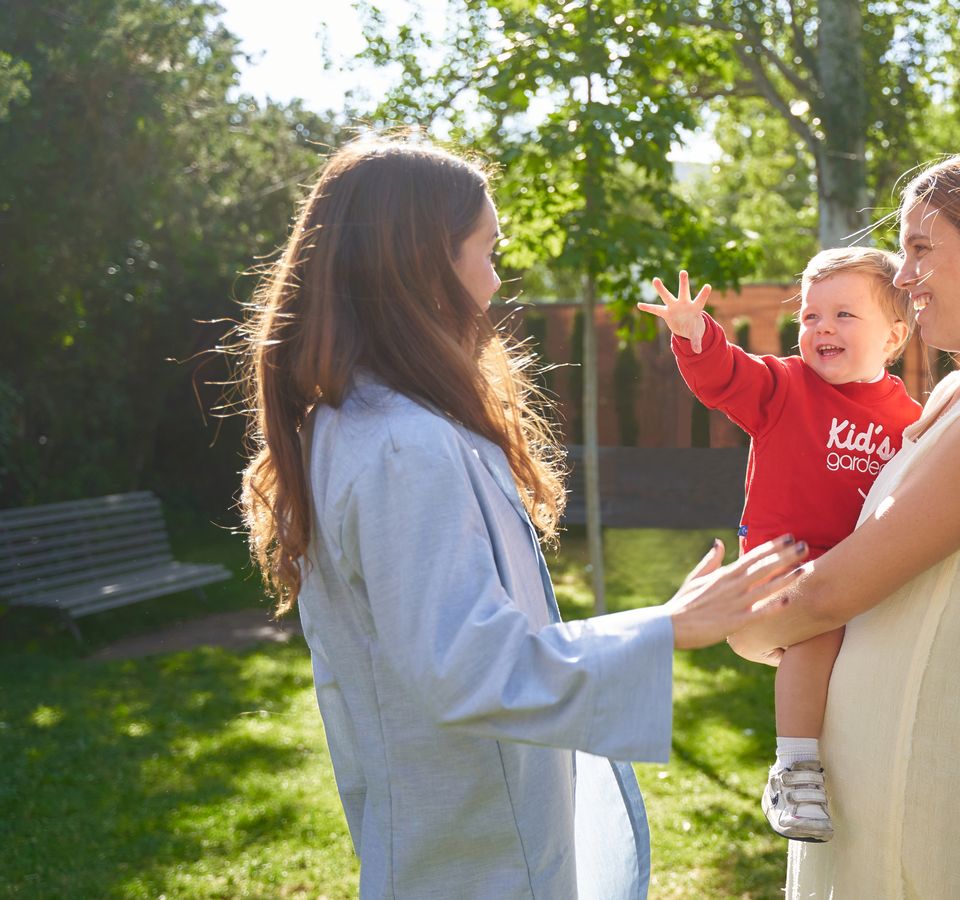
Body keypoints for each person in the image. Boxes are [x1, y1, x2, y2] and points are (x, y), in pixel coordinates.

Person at [234, 137, 806, 899]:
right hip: (474, 857)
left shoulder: (364, 422)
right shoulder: (403, 446)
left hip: (463, 837)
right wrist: (671, 625)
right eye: (487, 252)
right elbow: (470, 668)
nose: (497, 281)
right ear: (424, 266)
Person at [727, 150, 960, 898]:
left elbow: (834, 593)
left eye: (920, 249)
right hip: (863, 763)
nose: (901, 277)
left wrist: (735, 622)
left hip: (904, 776)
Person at [640, 250, 922, 842]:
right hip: (784, 573)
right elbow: (726, 375)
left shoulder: (909, 420)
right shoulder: (784, 387)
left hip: (859, 575)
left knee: (921, 615)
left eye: (844, 314)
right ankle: (795, 766)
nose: (821, 328)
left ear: (894, 335)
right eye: (811, 316)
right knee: (815, 632)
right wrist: (696, 333)